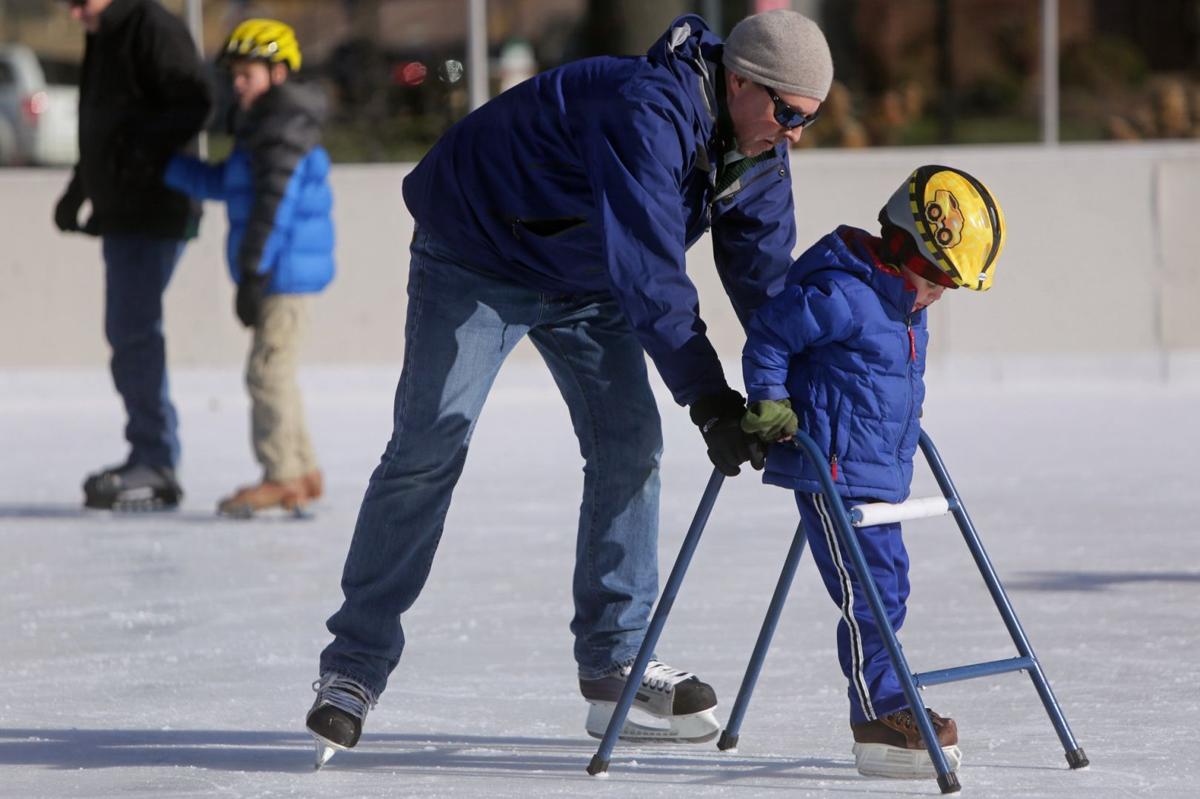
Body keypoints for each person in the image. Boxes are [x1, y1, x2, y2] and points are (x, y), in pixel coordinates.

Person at [305, 9, 834, 764]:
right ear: (741, 80)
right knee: (431, 442)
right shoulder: (648, 112)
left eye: (808, 121)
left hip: (584, 278)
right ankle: (351, 668)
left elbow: (763, 279)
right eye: (788, 114)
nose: (795, 135)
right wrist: (711, 399)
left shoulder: (759, 154)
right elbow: (651, 272)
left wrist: (790, 382)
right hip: (479, 253)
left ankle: (614, 663)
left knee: (631, 445)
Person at [739, 164, 1006, 779]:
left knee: (890, 588)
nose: (941, 291)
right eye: (938, 274)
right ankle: (878, 712)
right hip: (832, 471)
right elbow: (770, 337)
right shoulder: (843, 295)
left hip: (879, 471)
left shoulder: (903, 297)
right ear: (899, 245)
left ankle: (890, 697)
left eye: (954, 284)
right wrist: (769, 399)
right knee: (870, 598)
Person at [163, 19, 333, 518]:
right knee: (277, 371)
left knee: (266, 373)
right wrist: (168, 167)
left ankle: (281, 476)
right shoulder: (267, 127)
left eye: (248, 75)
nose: (237, 85)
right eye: (234, 75)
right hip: (280, 268)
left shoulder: (281, 131)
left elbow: (272, 208)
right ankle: (302, 471)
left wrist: (254, 272)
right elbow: (232, 186)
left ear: (279, 73)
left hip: (281, 271)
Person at [53, 0, 212, 511]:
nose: (75, 13)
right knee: (128, 330)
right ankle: (152, 452)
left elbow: (195, 102)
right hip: (124, 210)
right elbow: (104, 126)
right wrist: (81, 186)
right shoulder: (106, 33)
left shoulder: (152, 27)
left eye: (80, 2)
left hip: (155, 208)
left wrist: (138, 155)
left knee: (133, 330)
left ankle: (157, 459)